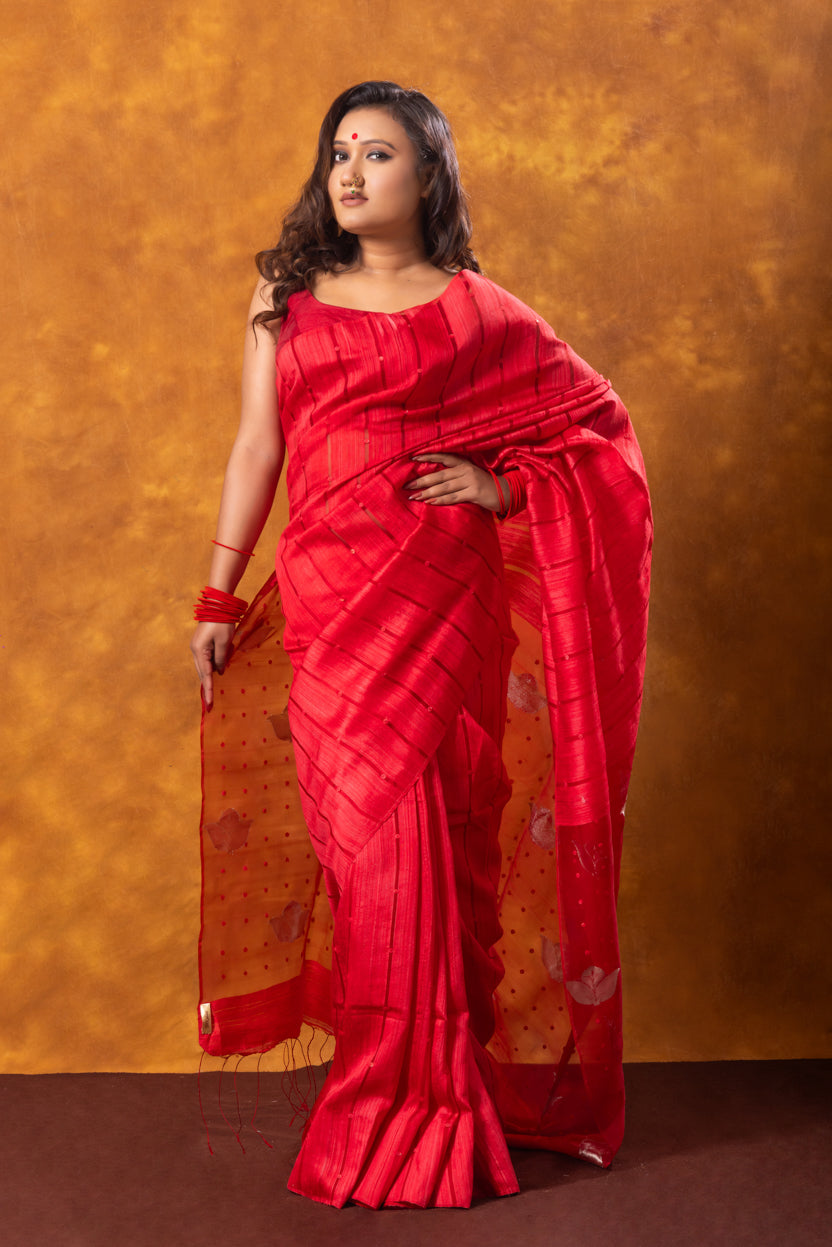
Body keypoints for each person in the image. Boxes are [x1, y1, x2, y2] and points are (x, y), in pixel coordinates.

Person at [190, 80, 652, 1209]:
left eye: (378, 153)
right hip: (329, 611)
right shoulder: (284, 298)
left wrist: (500, 487)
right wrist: (214, 594)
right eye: (338, 152)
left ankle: (424, 1104)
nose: (349, 172)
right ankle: (396, 1084)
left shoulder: (478, 310)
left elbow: (601, 433)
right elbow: (258, 448)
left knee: (437, 851)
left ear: (428, 174)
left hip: (439, 604)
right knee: (366, 856)